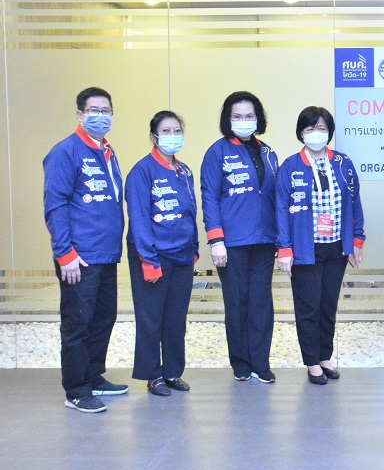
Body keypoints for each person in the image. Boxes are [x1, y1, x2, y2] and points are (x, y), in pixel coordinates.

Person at [43, 87, 128, 413]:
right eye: (93, 110)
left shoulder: (107, 151)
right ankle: (77, 389)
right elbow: (56, 205)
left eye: (106, 111)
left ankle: (93, 376)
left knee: (103, 318)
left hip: (105, 254)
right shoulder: (65, 152)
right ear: (80, 115)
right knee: (77, 324)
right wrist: (64, 253)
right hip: (78, 257)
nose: (100, 116)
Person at [276, 106, 365, 385]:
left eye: (322, 128)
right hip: (305, 249)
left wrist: (357, 240)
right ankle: (312, 362)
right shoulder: (290, 166)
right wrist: (284, 248)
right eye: (310, 128)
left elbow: (355, 202)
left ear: (330, 132)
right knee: (308, 307)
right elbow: (281, 209)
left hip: (336, 247)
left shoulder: (342, 162)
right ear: (301, 133)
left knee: (328, 305)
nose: (316, 133)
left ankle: (325, 357)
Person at [200, 91, 279, 383]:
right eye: (237, 116)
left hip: (265, 241)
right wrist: (215, 240)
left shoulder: (268, 152)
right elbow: (209, 197)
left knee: (261, 303)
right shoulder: (217, 152)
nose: (244, 121)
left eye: (249, 116)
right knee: (236, 302)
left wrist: (282, 240)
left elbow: (276, 197)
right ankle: (241, 363)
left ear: (258, 119)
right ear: (228, 119)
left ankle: (260, 362)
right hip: (231, 243)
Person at [126, 111, 198, 397]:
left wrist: (193, 249)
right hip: (153, 256)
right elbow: (139, 219)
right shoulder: (141, 172)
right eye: (166, 131)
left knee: (176, 319)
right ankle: (152, 375)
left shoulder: (185, 171)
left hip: (182, 256)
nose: (172, 136)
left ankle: (172, 372)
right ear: (153, 137)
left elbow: (190, 212)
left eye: (177, 130)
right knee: (150, 319)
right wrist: (148, 260)